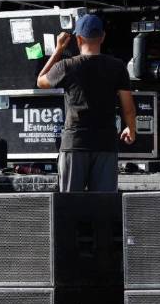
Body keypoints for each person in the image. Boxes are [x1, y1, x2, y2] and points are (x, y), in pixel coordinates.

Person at [37, 14, 136, 192]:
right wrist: (131, 128)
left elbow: (40, 81)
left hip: (75, 144)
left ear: (79, 38)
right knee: (104, 207)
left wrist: (59, 49)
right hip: (105, 144)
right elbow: (128, 107)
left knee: (69, 205)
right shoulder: (117, 66)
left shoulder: (66, 66)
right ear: (103, 37)